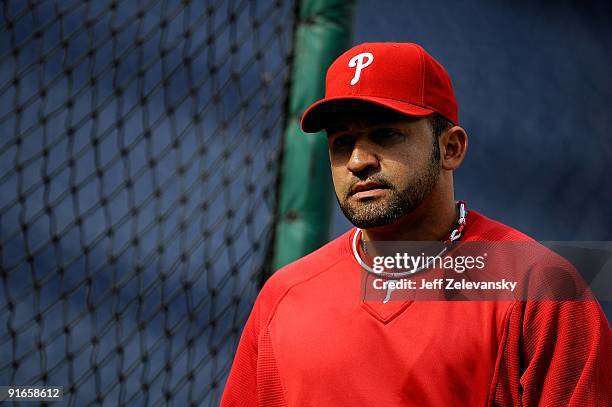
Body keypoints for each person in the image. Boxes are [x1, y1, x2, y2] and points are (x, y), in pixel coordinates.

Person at [220, 42, 611, 406]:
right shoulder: (284, 296)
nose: (358, 161)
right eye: (342, 142)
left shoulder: (539, 287)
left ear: (451, 148)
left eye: (385, 134)